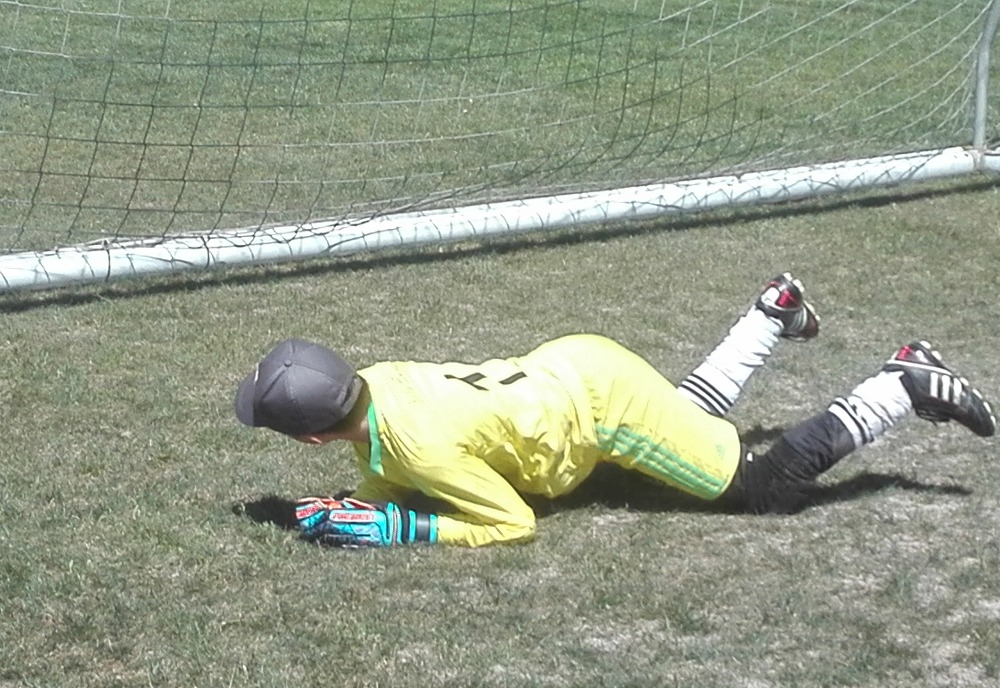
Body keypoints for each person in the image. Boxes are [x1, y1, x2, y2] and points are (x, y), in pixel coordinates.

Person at [234, 273, 995, 548]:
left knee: (759, 488)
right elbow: (388, 458)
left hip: (599, 405)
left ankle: (901, 384)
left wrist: (406, 528)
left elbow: (511, 524)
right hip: (570, 363)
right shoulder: (377, 380)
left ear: (309, 439)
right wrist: (360, 501)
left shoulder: (416, 448)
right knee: (684, 423)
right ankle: (773, 311)